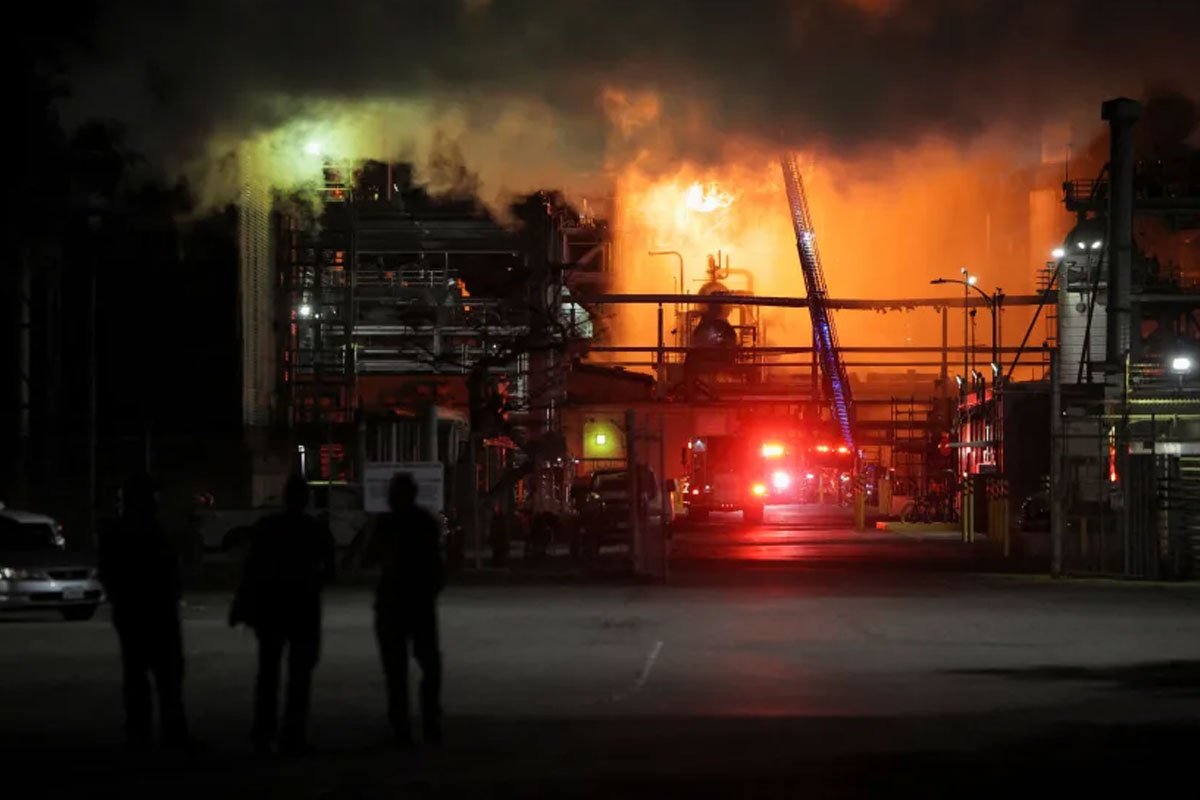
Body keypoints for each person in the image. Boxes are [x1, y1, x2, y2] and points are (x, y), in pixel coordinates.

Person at [231, 475, 335, 754]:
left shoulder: (268, 526)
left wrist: (241, 605)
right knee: (299, 675)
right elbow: (331, 571)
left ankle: (263, 733)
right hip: (303, 608)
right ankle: (293, 735)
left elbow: (251, 569)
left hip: (272, 607)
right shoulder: (314, 529)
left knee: (268, 673)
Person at [97, 473, 191, 750]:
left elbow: (109, 572)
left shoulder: (117, 532)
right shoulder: (151, 532)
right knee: (166, 677)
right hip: (154, 612)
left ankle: (142, 734)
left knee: (139, 676)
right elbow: (168, 572)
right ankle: (169, 734)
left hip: (134, 612)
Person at [363, 473, 444, 745]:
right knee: (428, 667)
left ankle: (402, 727)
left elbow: (369, 558)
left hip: (393, 604)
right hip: (419, 603)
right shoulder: (425, 523)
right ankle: (429, 723)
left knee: (396, 671)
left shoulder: (387, 524)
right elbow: (436, 565)